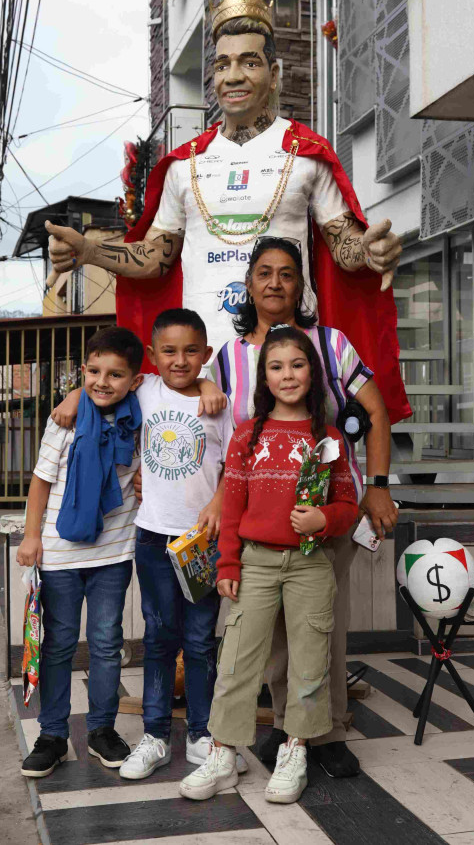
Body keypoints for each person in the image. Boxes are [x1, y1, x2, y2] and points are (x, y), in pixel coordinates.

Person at [43, 0, 409, 431]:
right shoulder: (185, 165)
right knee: (201, 498)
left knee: (288, 491)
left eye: (249, 62)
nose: (233, 75)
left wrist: (369, 252)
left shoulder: (305, 154)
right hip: (199, 374)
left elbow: (343, 243)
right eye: (223, 64)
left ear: (274, 74)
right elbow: (158, 256)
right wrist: (90, 252)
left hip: (287, 366)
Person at [209, 236, 398, 777]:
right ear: (248, 284)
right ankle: (287, 727)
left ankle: (328, 732)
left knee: (322, 628)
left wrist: (377, 487)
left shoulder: (332, 344)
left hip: (328, 517)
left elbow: (377, 412)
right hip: (261, 526)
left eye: (287, 273)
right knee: (268, 634)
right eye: (264, 273)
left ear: (301, 285)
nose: (275, 283)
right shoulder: (229, 355)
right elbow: (197, 406)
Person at [52, 310, 238, 779]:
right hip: (153, 537)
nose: (180, 360)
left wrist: (218, 502)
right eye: (169, 351)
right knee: (158, 638)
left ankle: (200, 732)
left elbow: (235, 466)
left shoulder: (220, 405)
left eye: (191, 351)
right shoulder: (146, 391)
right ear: (153, 358)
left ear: (206, 355)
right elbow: (103, 385)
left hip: (201, 543)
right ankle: (154, 735)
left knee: (199, 639)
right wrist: (75, 394)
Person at [179, 326, 358, 804]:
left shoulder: (331, 439)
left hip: (310, 565)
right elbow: (232, 508)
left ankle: (295, 750)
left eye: (297, 365)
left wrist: (324, 520)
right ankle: (221, 754)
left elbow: (347, 506)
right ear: (264, 378)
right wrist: (228, 565)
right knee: (237, 658)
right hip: (255, 564)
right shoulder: (247, 436)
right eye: (276, 367)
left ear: (313, 373)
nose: (287, 375)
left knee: (308, 661)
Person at [17, 328, 144, 779]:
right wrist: (31, 537)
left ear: (135, 379)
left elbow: (176, 384)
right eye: (93, 371)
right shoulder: (65, 420)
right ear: (82, 370)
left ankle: (101, 730)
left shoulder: (140, 415)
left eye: (116, 374)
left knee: (108, 645)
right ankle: (52, 735)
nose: (102, 381)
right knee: (58, 645)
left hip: (112, 553)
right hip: (60, 554)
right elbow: (40, 481)